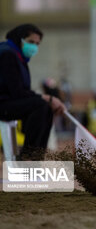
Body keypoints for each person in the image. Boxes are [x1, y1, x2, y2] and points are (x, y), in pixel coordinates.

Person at [0, 24, 66, 159]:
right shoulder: (7, 54)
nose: (34, 46)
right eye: (31, 42)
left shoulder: (18, 57)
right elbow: (17, 92)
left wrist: (47, 100)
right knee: (41, 105)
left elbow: (22, 92)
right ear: (20, 39)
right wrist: (48, 98)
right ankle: (28, 158)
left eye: (37, 44)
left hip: (8, 102)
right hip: (3, 104)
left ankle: (35, 159)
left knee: (45, 107)